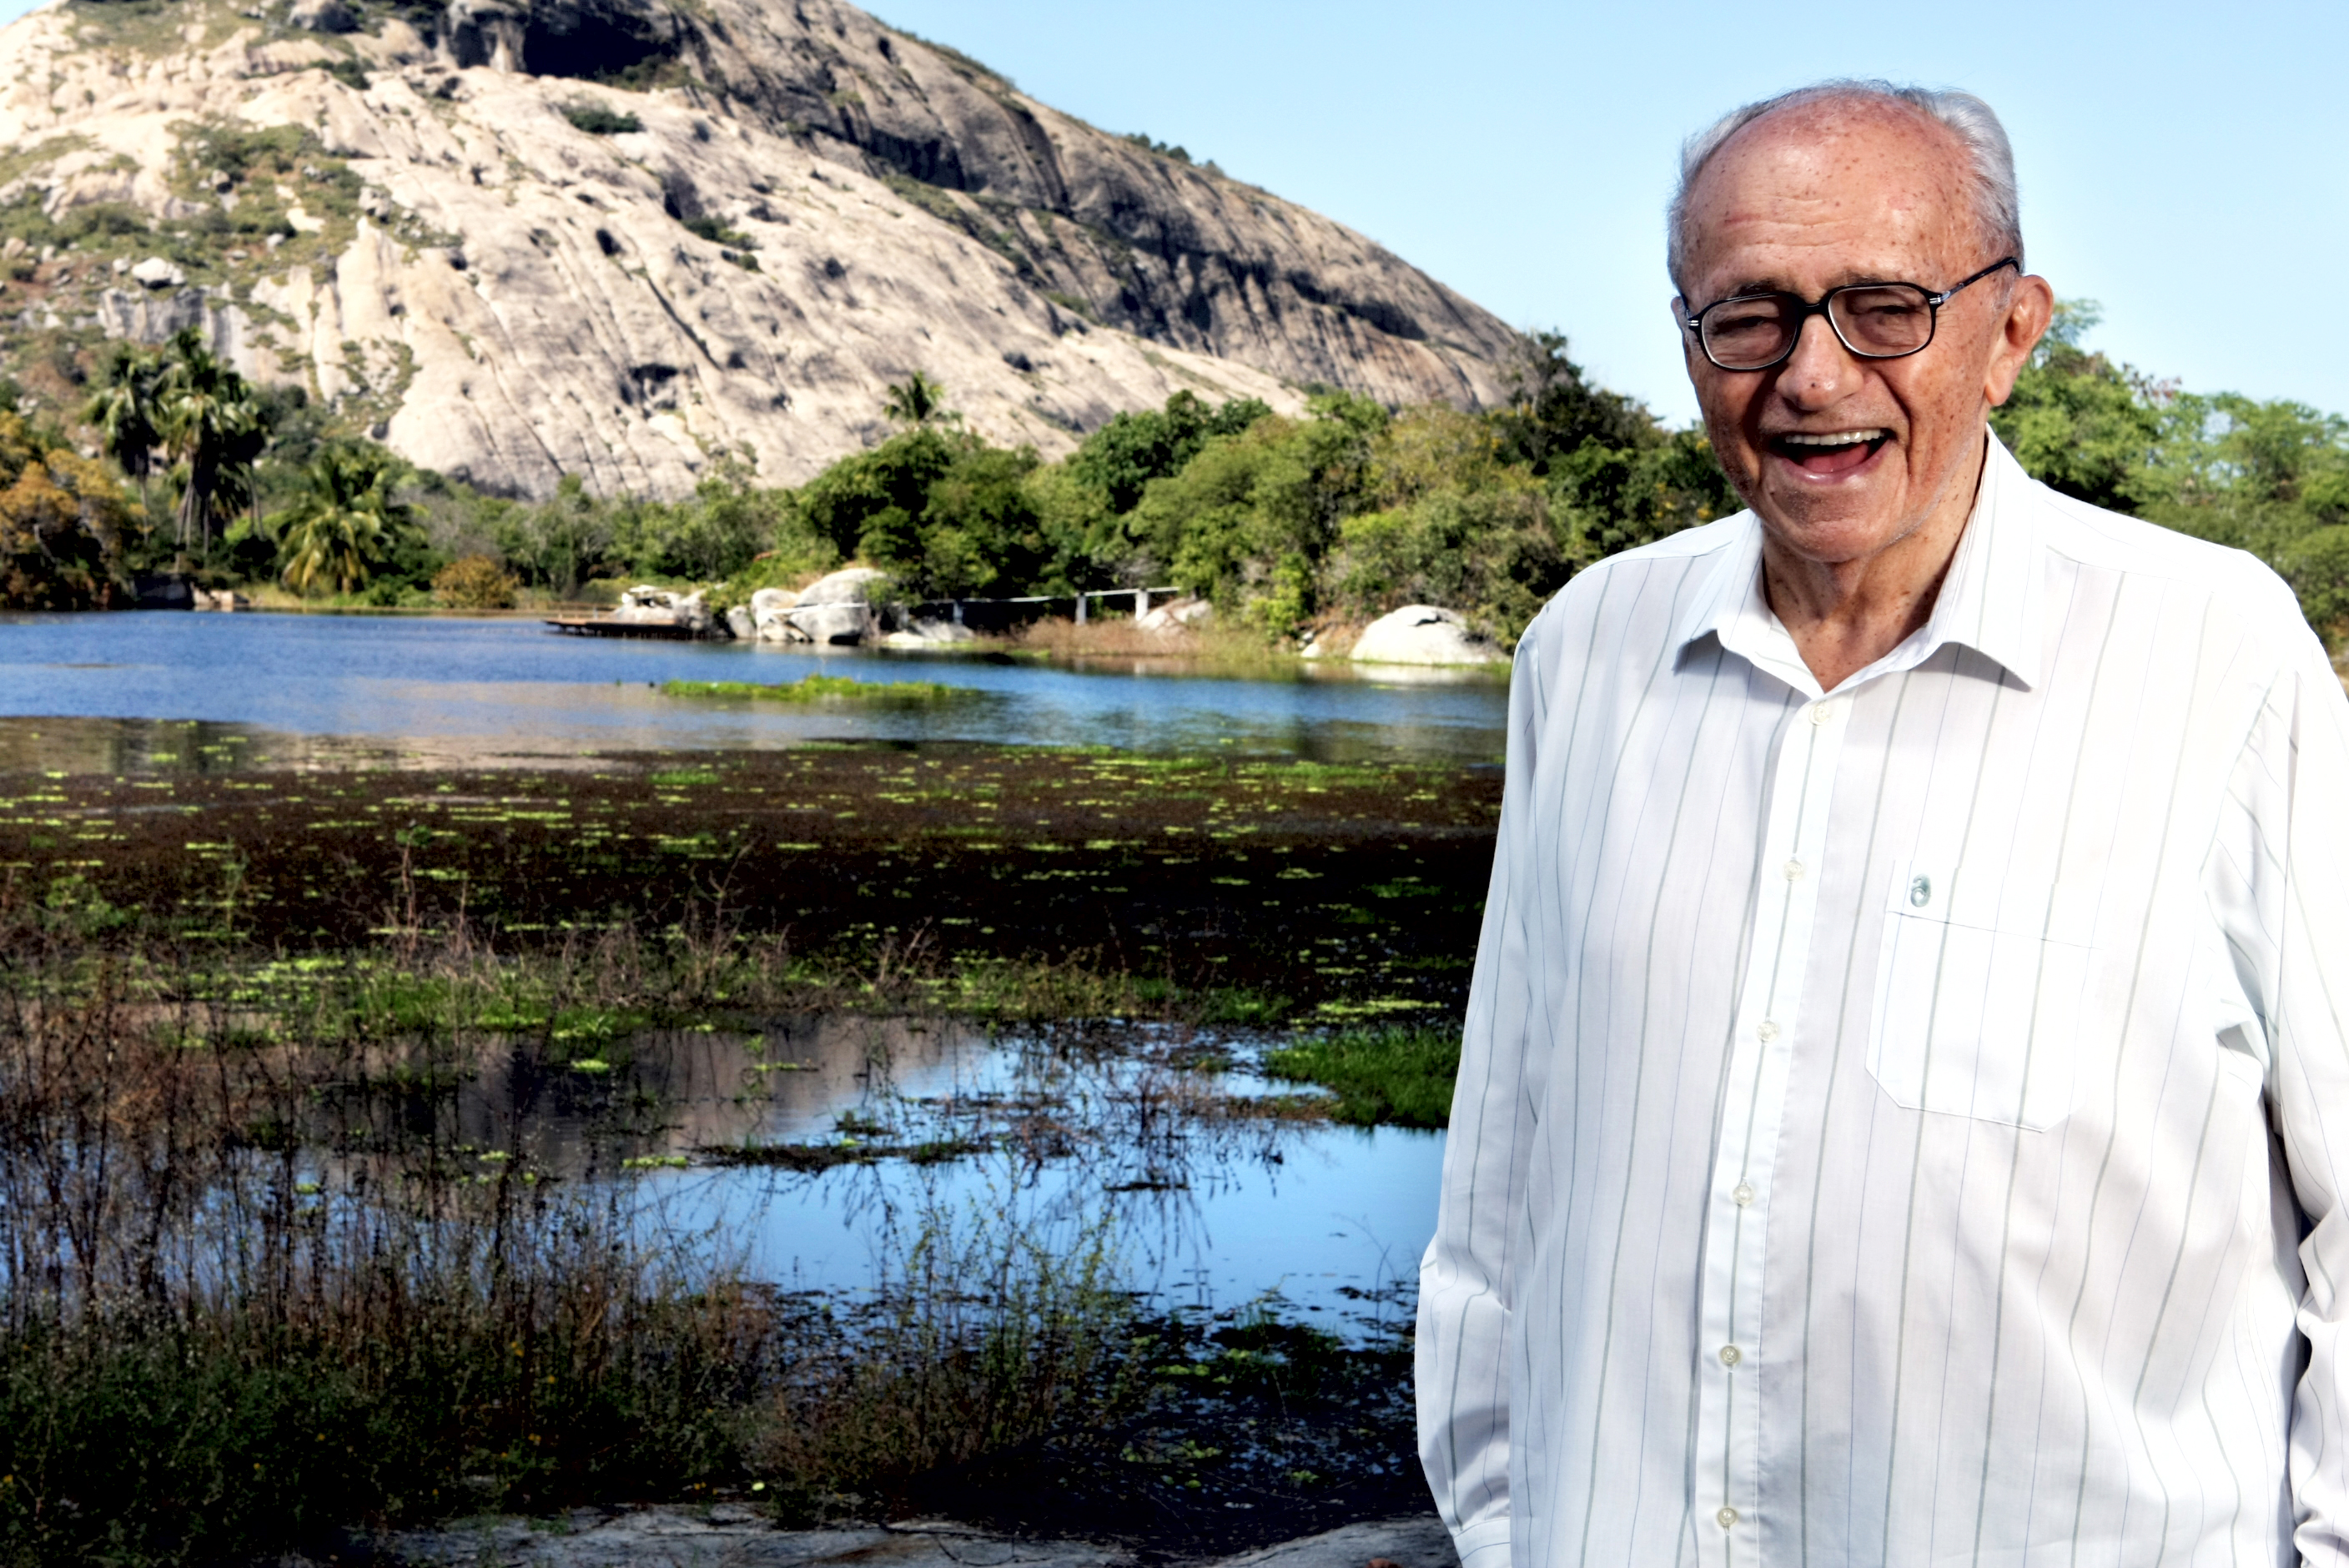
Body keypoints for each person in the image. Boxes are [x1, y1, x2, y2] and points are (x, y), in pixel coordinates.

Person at [1416, 79, 2349, 1566]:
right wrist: (1508, 1523)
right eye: (1751, 316)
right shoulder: (1586, 647)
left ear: (2013, 333)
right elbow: (1501, 1178)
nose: (1813, 375)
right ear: (1692, 343)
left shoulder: (2217, 655)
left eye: (1884, 309)